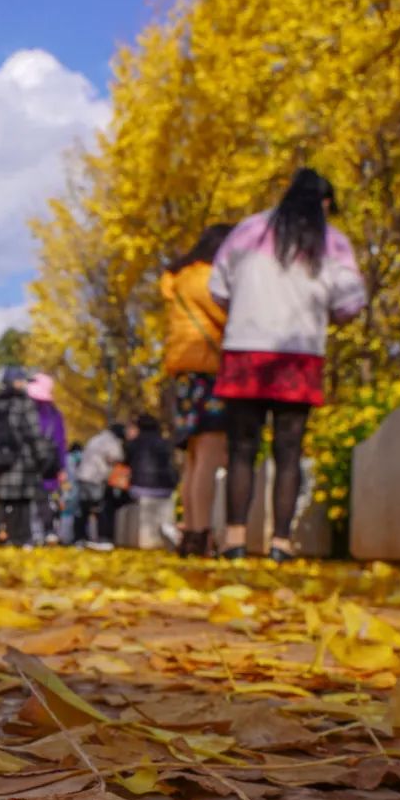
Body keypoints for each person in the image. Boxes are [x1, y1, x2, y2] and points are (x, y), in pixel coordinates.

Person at [210, 168, 365, 563]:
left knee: (241, 449)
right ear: (325, 203)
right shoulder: (332, 241)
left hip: (245, 348)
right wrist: (328, 316)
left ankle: (234, 538)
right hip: (299, 354)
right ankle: (280, 542)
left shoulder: (248, 230)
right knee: (289, 452)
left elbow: (218, 287)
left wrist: (244, 308)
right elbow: (350, 301)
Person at [161, 223, 234, 556]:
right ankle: (201, 533)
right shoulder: (206, 278)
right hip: (208, 370)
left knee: (193, 457)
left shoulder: (182, 278)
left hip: (184, 374)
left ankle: (192, 529)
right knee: (209, 452)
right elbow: (228, 316)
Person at [0, 368, 59, 546]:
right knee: (22, 500)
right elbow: (32, 432)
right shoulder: (24, 403)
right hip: (22, 459)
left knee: (3, 500)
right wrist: (43, 456)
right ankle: (19, 537)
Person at [26, 373, 67, 542]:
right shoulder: (55, 415)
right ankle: (48, 530)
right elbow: (61, 442)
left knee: (30, 498)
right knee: (46, 497)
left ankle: (31, 534)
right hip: (49, 463)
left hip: (30, 461)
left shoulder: (27, 411)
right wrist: (62, 467)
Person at [76, 424, 126, 548]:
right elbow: (117, 457)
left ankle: (80, 537)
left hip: (83, 475)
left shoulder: (96, 438)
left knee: (83, 508)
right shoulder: (111, 441)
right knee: (99, 507)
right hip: (96, 477)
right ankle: (102, 538)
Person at [125, 413, 177, 500]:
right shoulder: (165, 443)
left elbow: (126, 463)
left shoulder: (134, 443)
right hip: (166, 488)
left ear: (139, 427)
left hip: (139, 488)